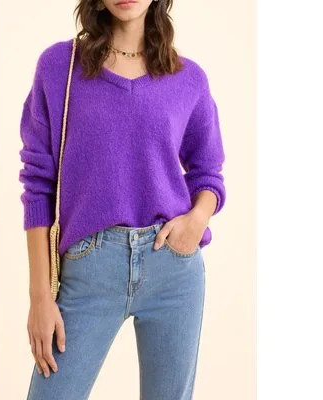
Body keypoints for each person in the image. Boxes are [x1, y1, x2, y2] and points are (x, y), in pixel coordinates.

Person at [19, 0, 226, 399]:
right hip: (90, 269)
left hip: (173, 269)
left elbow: (208, 173)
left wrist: (197, 219)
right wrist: (39, 297)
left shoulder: (188, 79)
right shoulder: (60, 67)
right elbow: (38, 184)